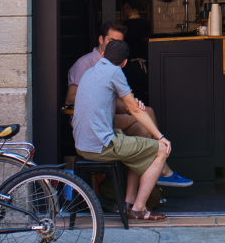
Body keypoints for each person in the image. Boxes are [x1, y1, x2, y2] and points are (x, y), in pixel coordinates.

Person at [67, 21, 192, 189]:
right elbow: (71, 98)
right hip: (91, 124)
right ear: (101, 40)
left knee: (143, 127)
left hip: (104, 120)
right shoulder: (87, 64)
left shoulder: (110, 63)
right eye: (112, 42)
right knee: (142, 114)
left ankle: (136, 196)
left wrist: (123, 100)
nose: (115, 47)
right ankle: (160, 170)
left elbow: (107, 97)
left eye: (119, 43)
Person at [73, 40, 171, 222]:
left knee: (136, 140)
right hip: (100, 146)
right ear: (125, 62)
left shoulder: (90, 71)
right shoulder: (115, 72)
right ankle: (139, 210)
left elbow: (119, 104)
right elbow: (135, 111)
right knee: (161, 150)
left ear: (103, 55)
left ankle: (129, 202)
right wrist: (161, 137)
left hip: (83, 144)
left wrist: (131, 105)